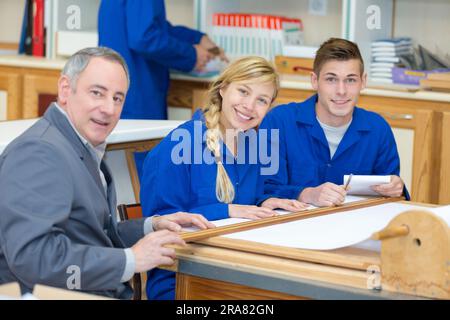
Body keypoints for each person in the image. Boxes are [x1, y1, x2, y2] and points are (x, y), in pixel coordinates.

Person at [0, 47, 214, 299]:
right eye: (97, 93)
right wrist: (131, 260)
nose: (109, 109)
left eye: (117, 98)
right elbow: (33, 258)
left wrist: (150, 227)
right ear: (65, 89)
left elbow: (91, 237)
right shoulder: (38, 152)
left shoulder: (77, 143)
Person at [140, 56, 308, 300]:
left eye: (261, 100)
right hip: (183, 279)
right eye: (243, 91)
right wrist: (227, 210)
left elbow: (248, 199)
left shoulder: (253, 145)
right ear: (223, 88)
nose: (250, 106)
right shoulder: (178, 146)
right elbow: (164, 224)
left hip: (237, 269)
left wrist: (264, 202)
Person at [259, 38, 409, 208]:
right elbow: (262, 189)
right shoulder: (277, 121)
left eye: (351, 80)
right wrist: (307, 193)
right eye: (331, 79)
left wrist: (397, 187)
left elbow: (390, 200)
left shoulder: (379, 129)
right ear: (314, 81)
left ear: (363, 81)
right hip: (290, 228)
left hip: (354, 228)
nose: (341, 91)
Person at [98, 0, 227, 179]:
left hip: (125, 88)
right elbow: (144, 37)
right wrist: (190, 54)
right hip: (137, 92)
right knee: (139, 170)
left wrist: (196, 39)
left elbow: (154, 26)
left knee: (123, 171)